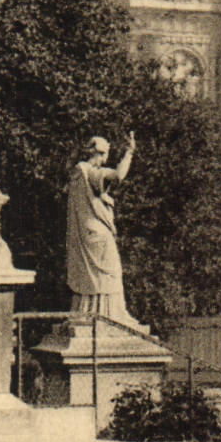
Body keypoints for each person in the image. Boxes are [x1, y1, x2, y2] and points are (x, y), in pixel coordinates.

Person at [66, 131, 142, 328]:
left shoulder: (77, 173)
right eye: (106, 154)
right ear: (101, 153)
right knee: (111, 273)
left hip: (87, 233)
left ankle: (92, 312)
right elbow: (118, 176)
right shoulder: (88, 171)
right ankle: (110, 316)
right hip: (98, 234)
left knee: (96, 275)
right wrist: (129, 153)